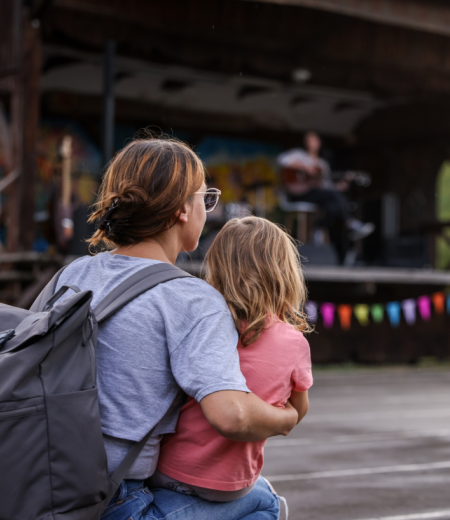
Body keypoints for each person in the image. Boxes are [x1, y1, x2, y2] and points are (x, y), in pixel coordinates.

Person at [52, 136, 300, 520]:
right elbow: (231, 415)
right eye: (205, 197)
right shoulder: (191, 299)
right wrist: (287, 419)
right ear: (184, 209)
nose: (207, 208)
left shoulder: (74, 273)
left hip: (47, 482)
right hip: (115, 502)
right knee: (263, 500)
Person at [152, 216, 313, 518]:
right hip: (231, 483)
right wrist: (286, 415)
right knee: (268, 501)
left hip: (168, 472)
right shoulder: (294, 343)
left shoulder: (201, 326)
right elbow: (299, 410)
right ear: (285, 272)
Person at [277, 131, 373, 263]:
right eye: (309, 140)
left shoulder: (322, 164)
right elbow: (282, 160)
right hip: (298, 193)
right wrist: (305, 168)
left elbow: (326, 186)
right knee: (334, 199)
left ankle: (319, 228)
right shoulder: (298, 155)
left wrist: (340, 186)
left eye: (314, 140)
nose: (312, 143)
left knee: (333, 205)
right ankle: (349, 223)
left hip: (316, 195)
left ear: (319, 143)